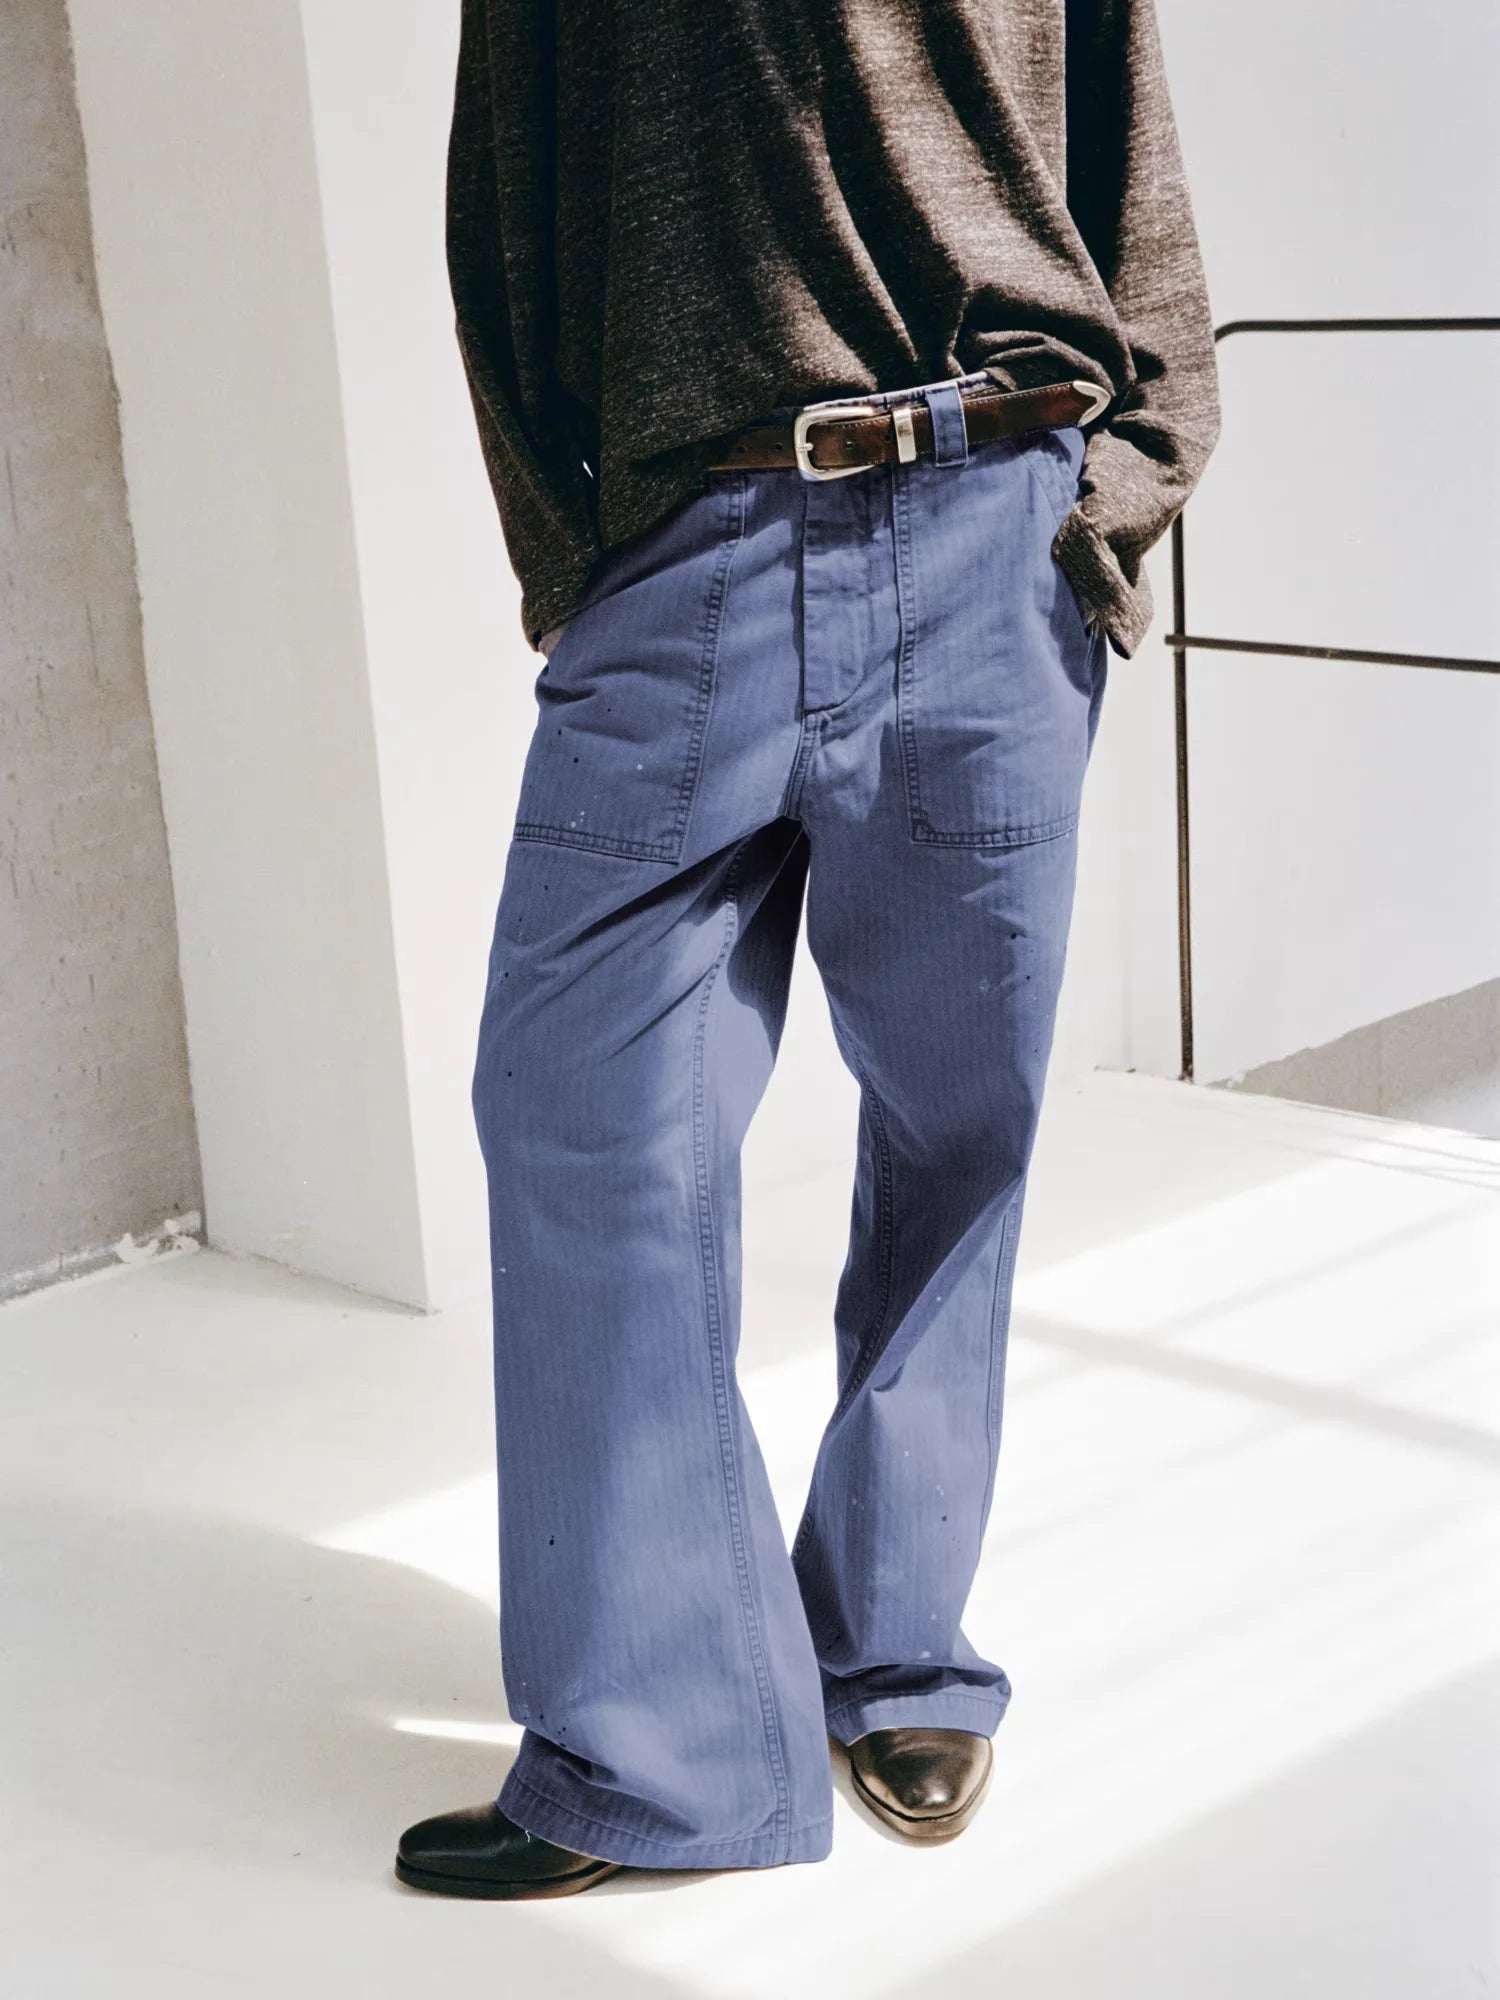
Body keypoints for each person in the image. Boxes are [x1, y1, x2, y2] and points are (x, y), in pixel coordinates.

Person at [396, 0, 1219, 1900]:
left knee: (957, 1122)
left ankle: (894, 1641)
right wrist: (575, 567)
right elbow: (500, 209)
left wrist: (1115, 500)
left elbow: (1133, 163)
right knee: (579, 1111)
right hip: (694, 547)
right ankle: (662, 1745)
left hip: (999, 515)